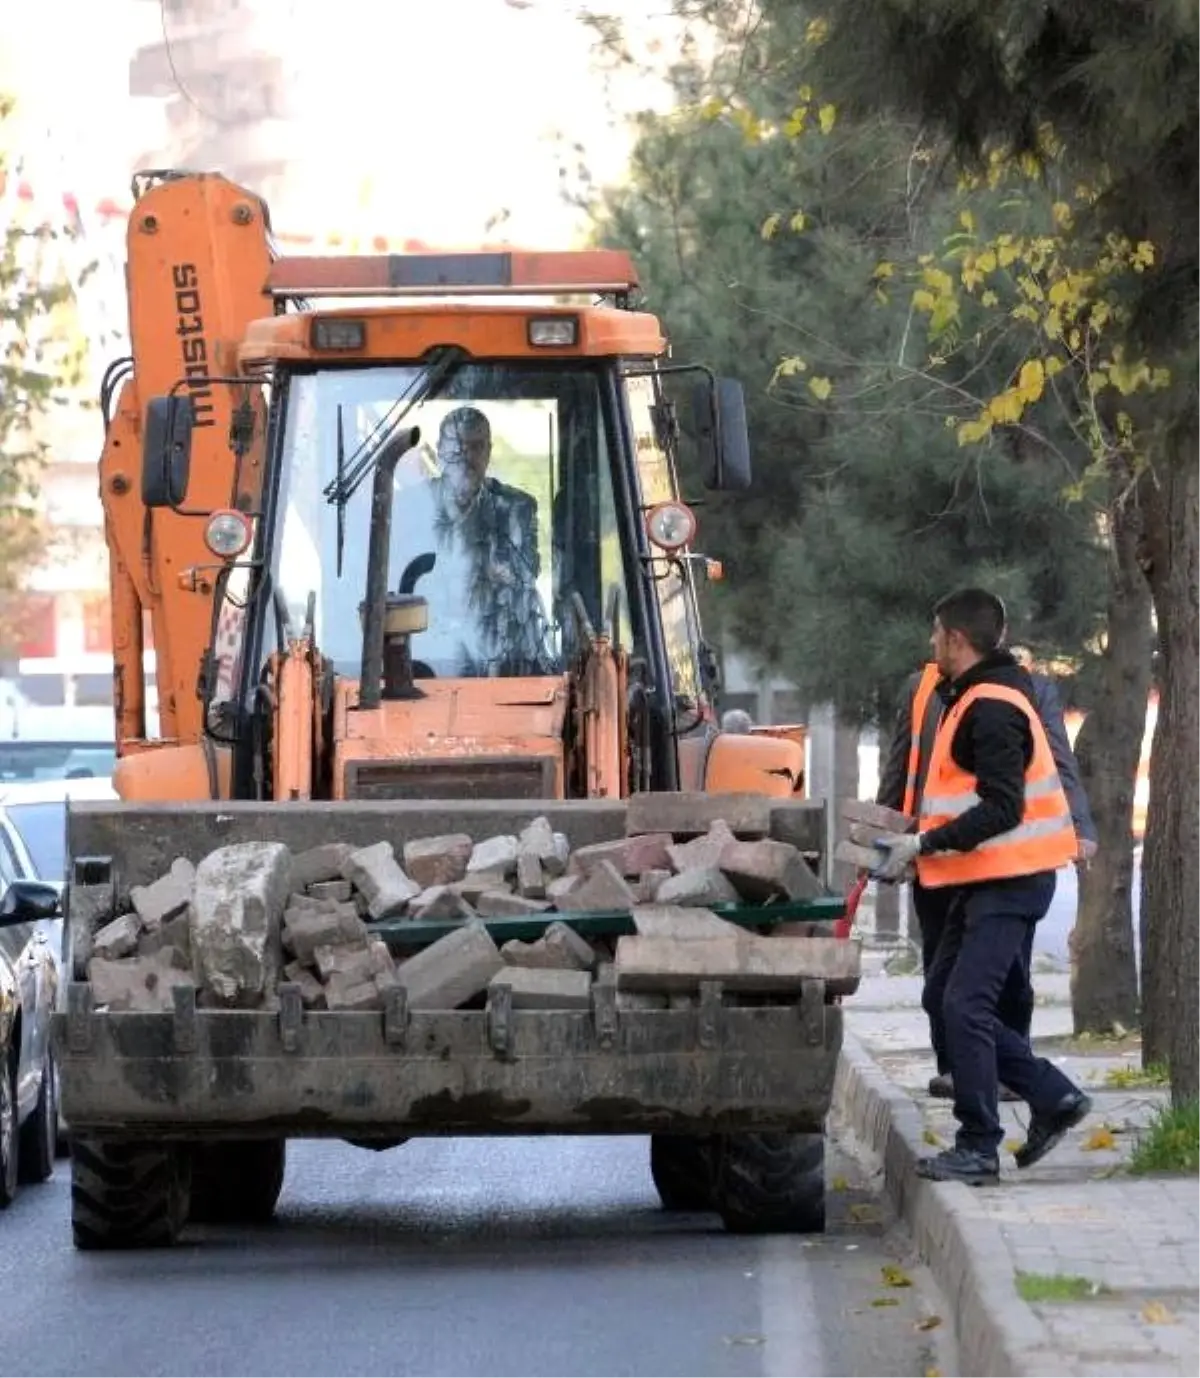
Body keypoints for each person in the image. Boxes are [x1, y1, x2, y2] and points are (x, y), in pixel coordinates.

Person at [871, 588, 1092, 1184]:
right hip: (981, 879)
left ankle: (978, 1144)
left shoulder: (991, 706)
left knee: (966, 1005)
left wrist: (923, 844)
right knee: (946, 997)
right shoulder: (968, 695)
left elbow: (1002, 808)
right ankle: (1053, 1096)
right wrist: (910, 844)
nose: (931, 644)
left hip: (1009, 882)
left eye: (936, 634)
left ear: (957, 639)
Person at [392, 406, 554, 677]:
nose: (465, 458)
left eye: (475, 447)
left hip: (500, 661)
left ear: (488, 452)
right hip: (425, 661)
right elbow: (390, 586)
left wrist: (501, 573)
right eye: (456, 449)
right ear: (441, 452)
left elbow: (527, 575)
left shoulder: (515, 508)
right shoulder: (410, 507)